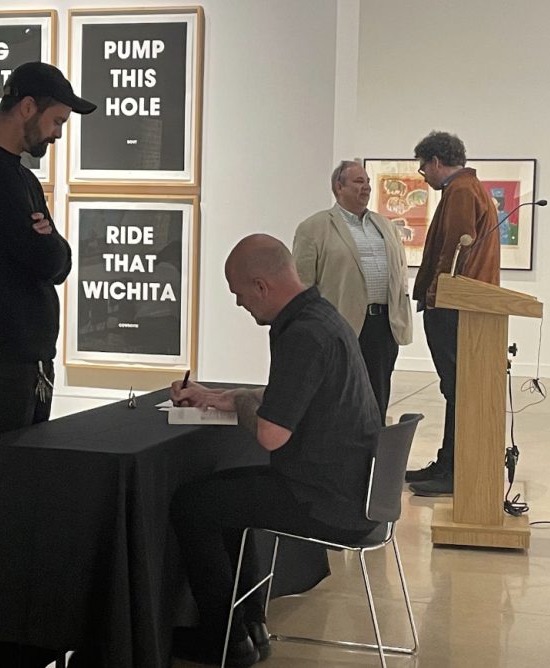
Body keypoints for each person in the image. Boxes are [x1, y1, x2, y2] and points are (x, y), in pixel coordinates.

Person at [168, 234, 382, 666]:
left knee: (194, 504)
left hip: (326, 499)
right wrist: (217, 397)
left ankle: (225, 642)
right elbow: (291, 396)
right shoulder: (323, 318)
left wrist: (244, 403)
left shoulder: (302, 334)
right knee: (225, 499)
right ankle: (249, 627)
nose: (240, 305)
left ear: (262, 286)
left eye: (239, 294)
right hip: (353, 491)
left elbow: (271, 436)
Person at [0, 62, 95, 442]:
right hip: (1, 357)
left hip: (25, 357)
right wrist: (48, 245)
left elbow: (60, 261)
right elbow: (45, 257)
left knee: (21, 476)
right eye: (57, 121)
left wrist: (51, 245)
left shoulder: (21, 176)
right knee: (2, 478)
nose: (58, 134)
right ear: (28, 107)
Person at [405, 131, 500, 496]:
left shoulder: (460, 191)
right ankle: (448, 463)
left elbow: (455, 249)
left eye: (422, 166)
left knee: (457, 389)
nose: (423, 175)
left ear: (436, 161)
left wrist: (436, 292)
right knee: (457, 389)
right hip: (465, 303)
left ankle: (453, 471)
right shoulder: (472, 188)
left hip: (454, 304)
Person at [293, 159, 413, 423]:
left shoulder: (386, 226)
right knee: (339, 398)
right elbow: (302, 285)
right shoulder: (314, 228)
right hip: (340, 326)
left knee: (377, 399)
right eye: (359, 182)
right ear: (339, 187)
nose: (366, 187)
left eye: (368, 182)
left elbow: (401, 273)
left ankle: (372, 456)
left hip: (383, 326)